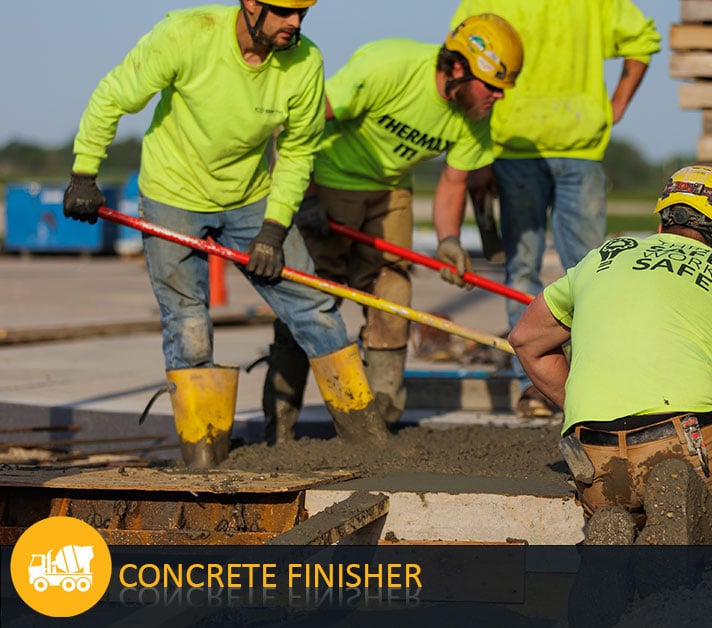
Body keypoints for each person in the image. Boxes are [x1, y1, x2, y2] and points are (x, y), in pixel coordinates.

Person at [62, 0, 391, 468]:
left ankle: (368, 440)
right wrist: (84, 173)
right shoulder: (187, 34)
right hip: (172, 194)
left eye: (303, 13)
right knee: (189, 325)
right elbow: (113, 95)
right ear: (252, 4)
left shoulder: (305, 62)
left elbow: (298, 153)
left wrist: (274, 230)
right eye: (284, 11)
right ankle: (205, 455)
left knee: (314, 308)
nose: (295, 23)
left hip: (252, 199)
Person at [508, 165, 712, 546]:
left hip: (592, 451)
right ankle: (711, 526)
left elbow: (525, 339)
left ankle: (618, 528)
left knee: (636, 506)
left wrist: (584, 408)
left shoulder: (602, 257)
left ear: (662, 224)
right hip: (681, 440)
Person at [261, 14, 524, 443]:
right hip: (327, 181)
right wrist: (303, 197)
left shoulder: (473, 111)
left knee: (393, 296)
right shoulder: (389, 67)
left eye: (502, 88)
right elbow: (303, 124)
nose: (497, 96)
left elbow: (454, 181)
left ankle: (375, 427)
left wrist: (449, 240)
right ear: (457, 67)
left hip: (391, 193)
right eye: (491, 85)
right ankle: (279, 428)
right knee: (305, 300)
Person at [450, 0, 662, 419]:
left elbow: (643, 38)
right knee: (573, 272)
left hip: (560, 148)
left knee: (556, 272)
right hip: (521, 148)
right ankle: (541, 383)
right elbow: (462, 63)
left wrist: (617, 103)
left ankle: (570, 383)